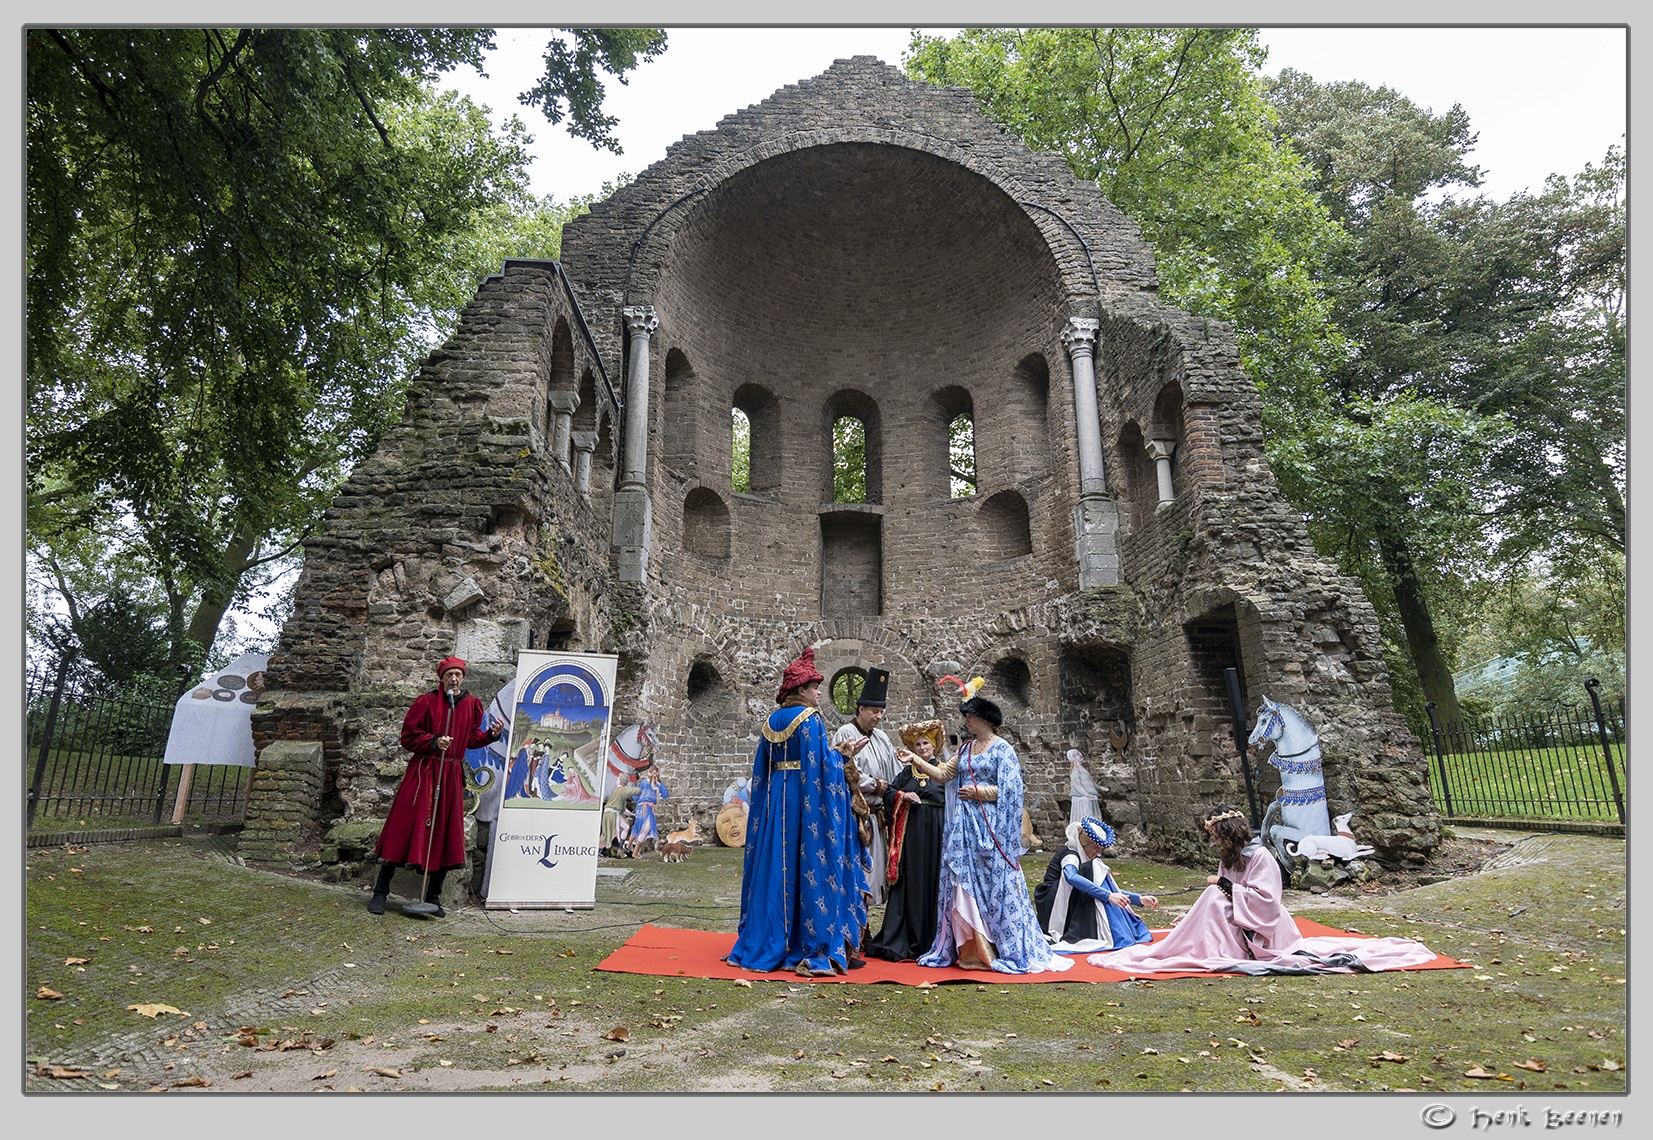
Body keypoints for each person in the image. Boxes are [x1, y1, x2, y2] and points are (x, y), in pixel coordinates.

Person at [1088, 805, 1439, 975]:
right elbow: (1220, 893)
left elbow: (1267, 901)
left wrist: (1222, 886)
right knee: (1211, 897)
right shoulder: (1231, 857)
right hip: (1233, 917)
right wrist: (1194, 914)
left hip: (1263, 929)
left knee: (1214, 895)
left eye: (1216, 837)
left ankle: (1213, 946)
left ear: (1228, 835)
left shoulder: (1261, 858)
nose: (1214, 843)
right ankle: (1195, 938)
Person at [909, 683, 1072, 974]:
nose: (966, 721)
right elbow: (943, 775)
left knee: (996, 883)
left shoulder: (1002, 750)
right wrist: (916, 760)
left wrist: (979, 792)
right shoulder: (966, 748)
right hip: (965, 829)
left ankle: (1002, 945)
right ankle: (971, 947)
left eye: (970, 717)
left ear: (984, 719)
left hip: (991, 826)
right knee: (962, 881)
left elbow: (1012, 790)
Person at [726, 647, 868, 977]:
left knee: (774, 864)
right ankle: (806, 943)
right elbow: (821, 767)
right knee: (807, 863)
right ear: (802, 690)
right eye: (815, 687)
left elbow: (759, 772)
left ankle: (762, 938)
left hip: (776, 799)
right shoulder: (809, 720)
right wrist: (844, 756)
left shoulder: (770, 721)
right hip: (804, 801)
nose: (818, 693)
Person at [368, 656, 504, 917]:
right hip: (424, 772)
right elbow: (408, 736)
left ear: (463, 677)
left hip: (451, 775)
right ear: (441, 678)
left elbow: (471, 738)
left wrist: (491, 735)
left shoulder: (471, 704)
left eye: (458, 674)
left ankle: (433, 897)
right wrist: (433, 741)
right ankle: (380, 892)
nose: (454, 679)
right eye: (449, 674)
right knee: (403, 827)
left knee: (444, 832)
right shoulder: (426, 702)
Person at [865, 719, 948, 961]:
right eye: (918, 745)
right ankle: (907, 935)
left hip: (936, 834)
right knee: (911, 881)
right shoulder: (907, 773)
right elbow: (889, 792)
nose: (922, 748)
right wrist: (903, 795)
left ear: (934, 746)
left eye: (926, 744)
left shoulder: (943, 770)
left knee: (934, 880)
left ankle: (934, 938)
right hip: (911, 836)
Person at [831, 668, 901, 907]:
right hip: (857, 819)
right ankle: (857, 921)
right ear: (861, 709)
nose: (878, 716)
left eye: (881, 712)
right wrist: (875, 785)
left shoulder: (881, 737)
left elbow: (895, 772)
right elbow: (843, 769)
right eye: (874, 711)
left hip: (878, 819)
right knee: (859, 875)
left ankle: (867, 920)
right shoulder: (845, 733)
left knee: (877, 876)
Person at [1034, 816, 1157, 952]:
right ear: (1084, 844)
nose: (1098, 852)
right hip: (1052, 902)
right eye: (1095, 847)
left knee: (1095, 870)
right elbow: (1071, 877)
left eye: (1100, 849)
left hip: (1067, 898)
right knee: (1094, 867)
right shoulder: (1071, 854)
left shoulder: (1086, 860)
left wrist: (1137, 899)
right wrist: (1108, 896)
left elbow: (1101, 886)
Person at [627, 759, 669, 857]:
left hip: (640, 808)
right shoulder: (658, 785)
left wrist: (640, 802)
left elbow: (635, 796)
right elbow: (665, 795)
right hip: (648, 809)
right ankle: (635, 853)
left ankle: (629, 845)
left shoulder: (643, 783)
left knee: (637, 826)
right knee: (645, 830)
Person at [600, 776, 640, 857]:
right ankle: (599, 850)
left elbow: (622, 808)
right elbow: (636, 791)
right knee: (610, 833)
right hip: (611, 814)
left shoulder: (620, 791)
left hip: (615, 813)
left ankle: (620, 847)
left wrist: (632, 814)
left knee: (626, 826)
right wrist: (644, 787)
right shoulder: (621, 790)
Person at [1067, 748, 1101, 826]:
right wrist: (1086, 794)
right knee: (1085, 817)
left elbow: (1091, 782)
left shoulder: (1083, 770)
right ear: (1073, 758)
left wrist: (1100, 788)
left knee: (1093, 818)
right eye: (1077, 754)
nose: (1080, 754)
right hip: (1083, 799)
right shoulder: (1075, 770)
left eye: (1079, 753)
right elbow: (1077, 785)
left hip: (1090, 797)